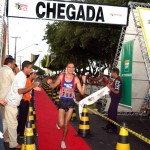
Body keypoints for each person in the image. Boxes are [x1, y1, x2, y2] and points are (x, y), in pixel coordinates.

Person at [47, 62, 86, 149]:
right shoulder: (62, 76)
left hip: (70, 102)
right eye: (69, 67)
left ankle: (63, 140)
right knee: (61, 124)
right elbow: (53, 86)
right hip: (62, 101)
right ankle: (58, 124)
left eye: (73, 67)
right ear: (66, 68)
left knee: (66, 123)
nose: (71, 69)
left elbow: (82, 93)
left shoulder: (76, 79)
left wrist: (84, 82)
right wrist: (49, 83)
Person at [3, 61, 40, 149]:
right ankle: (13, 144)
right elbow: (20, 91)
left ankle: (5, 138)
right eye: (30, 68)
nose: (31, 70)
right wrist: (33, 85)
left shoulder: (21, 75)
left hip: (11, 102)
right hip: (11, 103)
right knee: (12, 124)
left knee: (6, 123)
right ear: (25, 68)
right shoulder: (21, 77)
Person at [17, 69, 40, 138]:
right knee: (23, 117)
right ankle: (21, 133)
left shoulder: (29, 80)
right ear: (31, 74)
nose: (35, 75)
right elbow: (25, 89)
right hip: (24, 100)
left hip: (26, 100)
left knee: (22, 117)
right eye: (34, 74)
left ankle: (19, 131)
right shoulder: (27, 80)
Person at [0, 57, 16, 145]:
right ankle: (4, 138)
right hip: (5, 99)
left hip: (0, 98)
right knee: (5, 120)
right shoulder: (9, 72)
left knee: (3, 118)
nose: (14, 65)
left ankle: (5, 138)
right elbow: (16, 83)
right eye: (13, 64)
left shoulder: (1, 69)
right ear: (10, 63)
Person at [102, 68, 122, 134]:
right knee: (110, 112)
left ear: (114, 73)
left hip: (115, 99)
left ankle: (114, 129)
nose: (111, 74)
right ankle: (109, 126)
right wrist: (110, 86)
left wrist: (110, 88)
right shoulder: (116, 80)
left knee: (112, 113)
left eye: (112, 73)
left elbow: (116, 91)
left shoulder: (118, 80)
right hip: (114, 98)